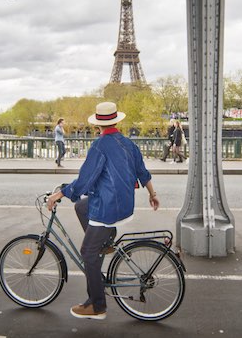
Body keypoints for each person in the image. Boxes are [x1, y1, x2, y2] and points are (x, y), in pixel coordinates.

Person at [46, 101, 160, 320]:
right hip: (124, 205)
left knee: (88, 252)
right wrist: (152, 194)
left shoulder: (99, 146)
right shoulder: (128, 143)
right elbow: (142, 172)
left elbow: (85, 180)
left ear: (98, 125)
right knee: (81, 206)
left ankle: (97, 305)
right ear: (116, 121)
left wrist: (60, 193)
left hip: (107, 208)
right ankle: (105, 242)